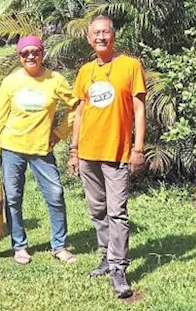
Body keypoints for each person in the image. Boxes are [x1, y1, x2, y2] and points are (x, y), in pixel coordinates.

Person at [68, 15, 146, 300]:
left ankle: (119, 268)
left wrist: (138, 149)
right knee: (97, 210)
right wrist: (74, 151)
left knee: (117, 212)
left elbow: (139, 109)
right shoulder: (85, 71)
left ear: (114, 36)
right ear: (89, 39)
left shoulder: (130, 66)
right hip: (88, 153)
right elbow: (79, 112)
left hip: (116, 152)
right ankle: (106, 257)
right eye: (96, 33)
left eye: (106, 32)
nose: (101, 37)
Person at [0, 35, 79, 265]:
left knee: (55, 195)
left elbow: (76, 106)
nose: (30, 57)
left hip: (42, 149)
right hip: (11, 148)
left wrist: (58, 133)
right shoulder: (10, 82)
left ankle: (59, 245)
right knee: (14, 198)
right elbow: (0, 118)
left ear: (42, 53)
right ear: (19, 56)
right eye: (24, 53)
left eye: (34, 52)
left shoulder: (54, 80)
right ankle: (19, 246)